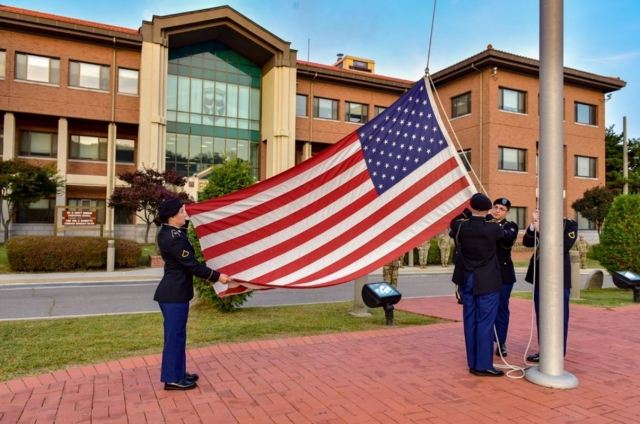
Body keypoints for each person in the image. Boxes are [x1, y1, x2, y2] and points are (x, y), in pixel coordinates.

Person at [153, 197, 232, 390]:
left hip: (175, 293)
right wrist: (217, 276)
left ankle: (178, 372)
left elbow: (183, 226)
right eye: (181, 211)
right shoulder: (174, 239)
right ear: (171, 217)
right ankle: (172, 379)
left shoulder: (171, 231)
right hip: (173, 295)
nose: (185, 214)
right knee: (175, 337)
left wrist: (199, 212)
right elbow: (193, 266)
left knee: (178, 335)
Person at [450, 193, 505, 377]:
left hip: (468, 279)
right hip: (487, 281)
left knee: (470, 321)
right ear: (488, 209)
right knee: (485, 323)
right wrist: (487, 215)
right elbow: (501, 233)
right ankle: (483, 365)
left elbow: (455, 222)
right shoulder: (493, 228)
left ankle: (473, 363)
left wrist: (469, 211)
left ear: (471, 207)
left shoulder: (461, 226)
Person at [522, 209, 577, 362]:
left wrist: (543, 231)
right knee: (542, 314)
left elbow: (564, 246)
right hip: (540, 275)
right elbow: (527, 243)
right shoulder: (540, 223)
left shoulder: (569, 224)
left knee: (560, 316)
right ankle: (544, 350)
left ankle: (558, 353)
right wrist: (533, 225)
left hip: (559, 277)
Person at [488, 198, 519, 358]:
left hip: (503, 274)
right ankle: (486, 340)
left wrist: (493, 226)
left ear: (507, 212)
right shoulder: (486, 222)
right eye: (495, 207)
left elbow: (507, 240)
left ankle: (501, 342)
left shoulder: (510, 226)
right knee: (486, 308)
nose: (497, 210)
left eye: (501, 209)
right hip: (486, 273)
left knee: (501, 308)